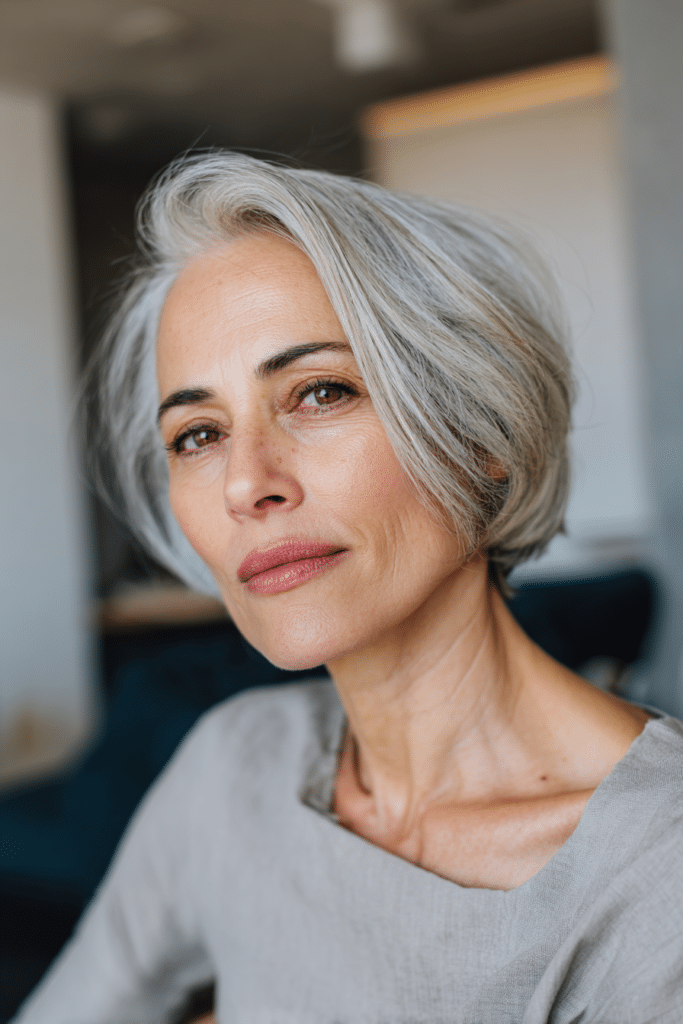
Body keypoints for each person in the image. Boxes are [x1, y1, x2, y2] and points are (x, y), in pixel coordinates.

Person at [13, 153, 683, 1024]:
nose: (243, 483)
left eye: (319, 392)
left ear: (480, 431)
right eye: (197, 433)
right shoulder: (232, 768)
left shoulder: (653, 874)